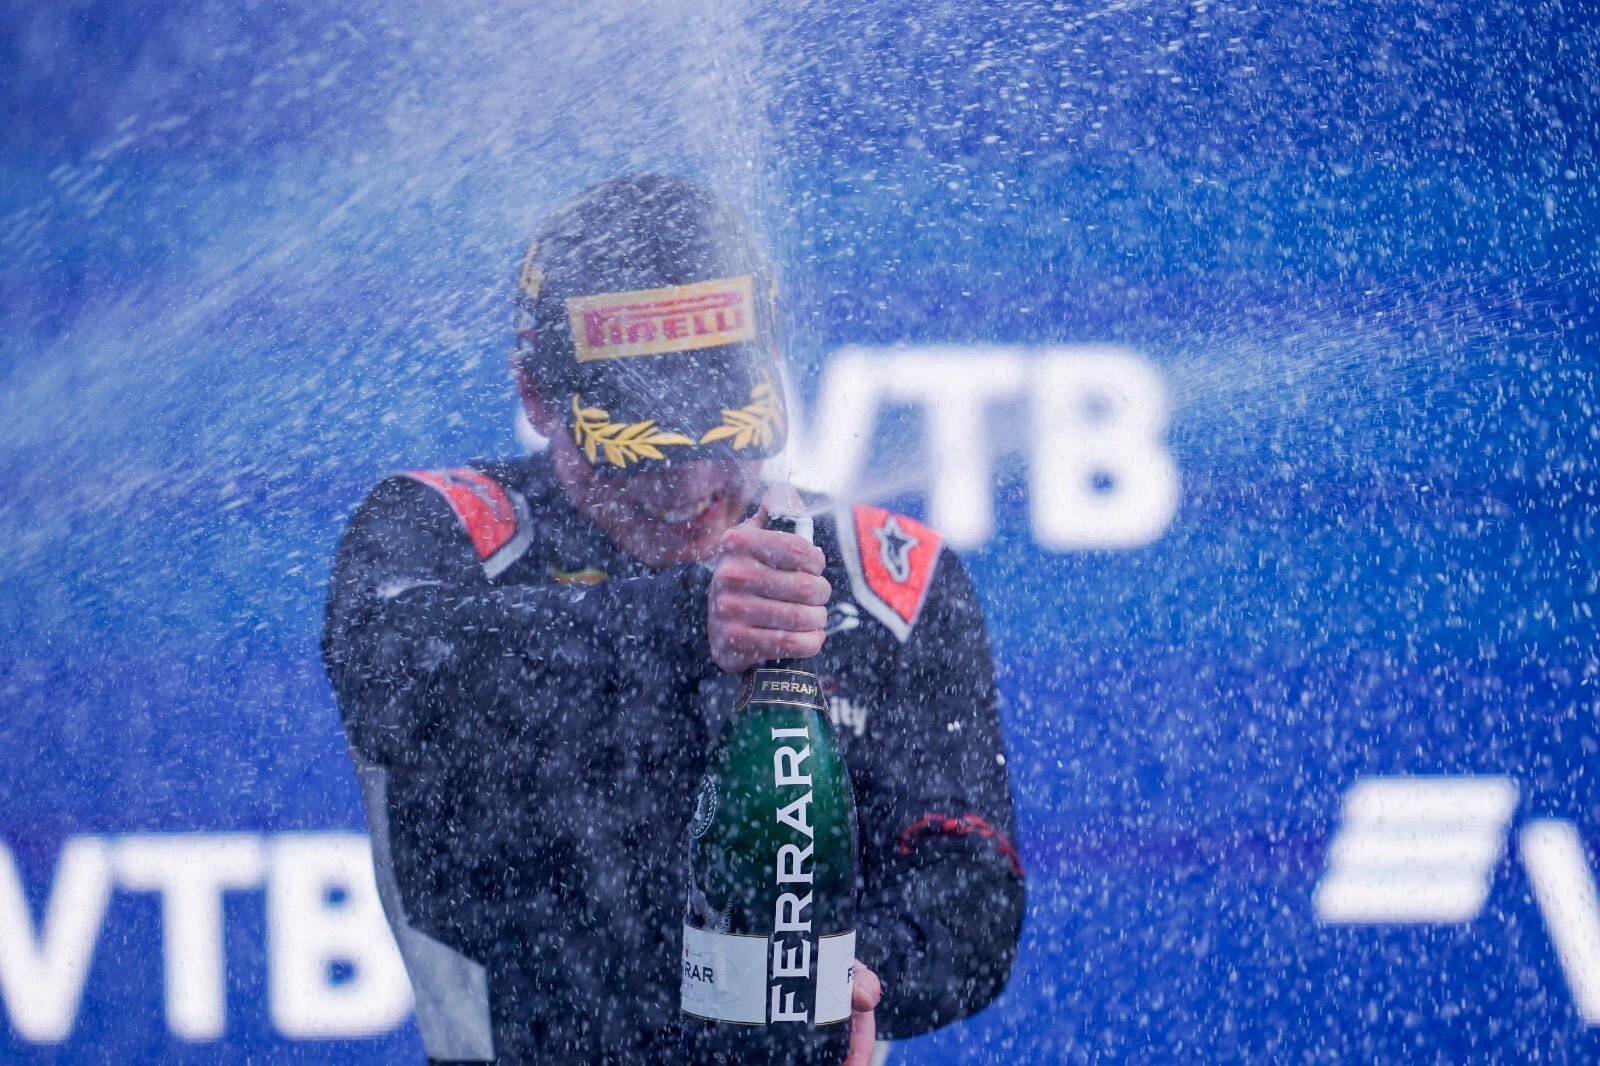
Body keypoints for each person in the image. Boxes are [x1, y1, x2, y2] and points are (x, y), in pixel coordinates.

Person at [321, 173, 1024, 1064]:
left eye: (723, 441)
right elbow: (392, 673)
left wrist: (851, 980)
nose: (692, 490)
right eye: (642, 457)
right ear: (537, 399)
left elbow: (971, 895)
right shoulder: (443, 533)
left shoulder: (892, 581)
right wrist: (685, 622)